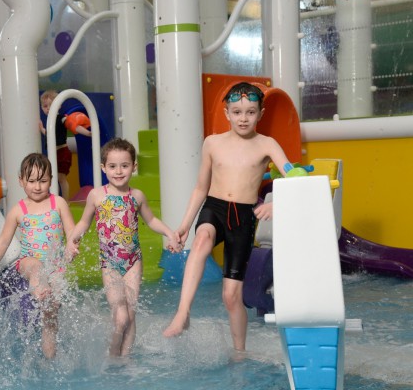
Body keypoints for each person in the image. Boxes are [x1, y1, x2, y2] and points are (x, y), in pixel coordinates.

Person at [162, 82, 291, 354]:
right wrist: (185, 225)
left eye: (250, 112)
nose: (243, 118)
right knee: (201, 241)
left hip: (243, 218)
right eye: (237, 112)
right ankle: (183, 313)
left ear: (261, 113)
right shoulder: (213, 143)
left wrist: (276, 202)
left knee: (231, 296)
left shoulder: (267, 144)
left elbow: (295, 178)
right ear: (226, 113)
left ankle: (239, 353)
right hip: (215, 207)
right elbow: (200, 187)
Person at [66, 138, 180, 357]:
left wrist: (170, 233)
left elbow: (152, 220)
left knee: (130, 313)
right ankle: (113, 354)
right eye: (112, 166)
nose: (118, 171)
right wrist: (72, 239)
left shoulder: (136, 196)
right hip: (109, 263)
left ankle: (125, 360)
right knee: (120, 316)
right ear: (103, 167)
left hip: (133, 262)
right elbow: (83, 222)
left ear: (134, 167)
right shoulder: (97, 195)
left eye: (124, 166)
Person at [0, 153, 76, 359]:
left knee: (50, 316)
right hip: (27, 263)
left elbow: (72, 232)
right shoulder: (17, 210)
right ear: (21, 181)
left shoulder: (58, 203)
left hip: (55, 266)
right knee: (35, 266)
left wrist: (71, 247)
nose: (37, 186)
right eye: (31, 181)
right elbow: (3, 241)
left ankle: (49, 358)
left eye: (43, 180)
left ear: (51, 180)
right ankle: (39, 288)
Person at [38, 89, 91, 199]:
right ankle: (54, 199)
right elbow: (50, 135)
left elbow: (74, 126)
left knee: (61, 178)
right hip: (53, 153)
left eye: (51, 105)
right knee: (52, 178)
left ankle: (65, 201)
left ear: (59, 105)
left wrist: (88, 133)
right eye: (45, 106)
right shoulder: (49, 122)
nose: (48, 109)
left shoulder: (62, 118)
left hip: (62, 153)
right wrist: (42, 129)